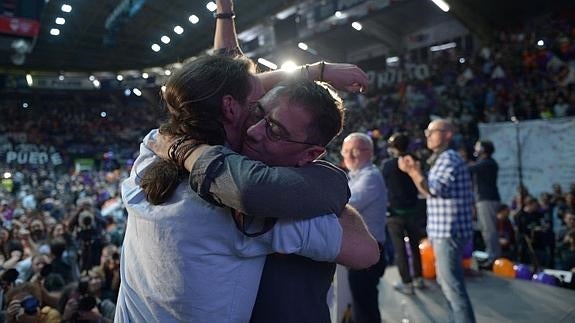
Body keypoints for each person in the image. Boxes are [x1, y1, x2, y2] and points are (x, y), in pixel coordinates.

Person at [115, 55, 377, 322]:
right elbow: (366, 251)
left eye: (274, 128)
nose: (254, 130)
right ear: (229, 107)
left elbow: (212, 93)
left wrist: (316, 71)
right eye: (257, 110)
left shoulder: (151, 151)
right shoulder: (246, 212)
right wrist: (323, 191)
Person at [399, 119, 476, 323]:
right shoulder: (442, 158)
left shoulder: (448, 158)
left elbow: (434, 189)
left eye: (432, 131)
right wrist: (414, 173)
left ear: (448, 134)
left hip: (448, 233)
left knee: (453, 289)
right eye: (427, 131)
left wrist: (413, 171)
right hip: (444, 232)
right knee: (448, 285)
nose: (428, 135)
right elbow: (428, 192)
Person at [340, 132, 388, 323]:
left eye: (355, 151)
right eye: (345, 151)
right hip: (360, 248)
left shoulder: (371, 177)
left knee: (364, 304)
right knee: (361, 301)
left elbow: (348, 203)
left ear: (369, 152)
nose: (349, 155)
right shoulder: (355, 176)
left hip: (369, 250)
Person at [381, 132, 426, 295]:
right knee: (415, 246)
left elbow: (383, 186)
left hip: (395, 213)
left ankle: (407, 282)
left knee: (400, 249)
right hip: (414, 211)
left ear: (393, 147)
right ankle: (419, 278)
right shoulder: (415, 161)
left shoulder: (388, 165)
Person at [469, 140, 501, 266]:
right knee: (485, 229)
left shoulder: (487, 163)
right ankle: (491, 254)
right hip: (484, 199)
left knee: (489, 229)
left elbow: (470, 168)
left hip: (488, 199)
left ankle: (494, 257)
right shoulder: (485, 163)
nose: (475, 148)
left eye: (478, 146)